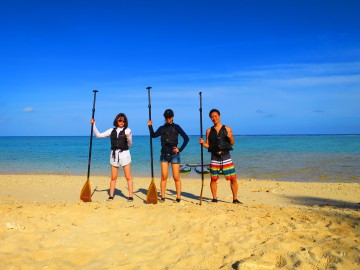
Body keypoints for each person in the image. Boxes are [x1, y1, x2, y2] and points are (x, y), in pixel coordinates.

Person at [199, 109, 241, 204]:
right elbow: (208, 145)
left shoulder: (227, 128)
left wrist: (230, 137)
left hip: (226, 156)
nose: (214, 118)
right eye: (212, 117)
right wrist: (202, 143)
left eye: (215, 116)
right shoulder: (209, 131)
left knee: (233, 178)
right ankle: (214, 198)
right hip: (214, 157)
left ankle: (235, 199)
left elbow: (232, 143)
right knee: (213, 178)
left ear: (219, 116)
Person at [147, 109, 189, 203]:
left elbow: (186, 138)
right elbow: (153, 135)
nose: (168, 119)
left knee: (176, 177)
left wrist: (180, 149)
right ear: (164, 117)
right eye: (166, 117)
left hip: (175, 155)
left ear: (172, 117)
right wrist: (150, 126)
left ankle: (178, 197)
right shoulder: (162, 128)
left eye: (169, 117)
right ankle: (163, 197)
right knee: (164, 177)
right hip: (164, 155)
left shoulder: (177, 127)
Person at [90, 113, 133, 201]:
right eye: (120, 120)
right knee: (113, 177)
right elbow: (98, 135)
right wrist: (93, 124)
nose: (122, 122)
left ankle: (130, 196)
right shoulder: (111, 130)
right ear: (117, 121)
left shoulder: (128, 130)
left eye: (123, 121)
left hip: (125, 155)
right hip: (114, 155)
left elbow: (130, 144)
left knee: (128, 177)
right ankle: (111, 196)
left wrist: (128, 138)